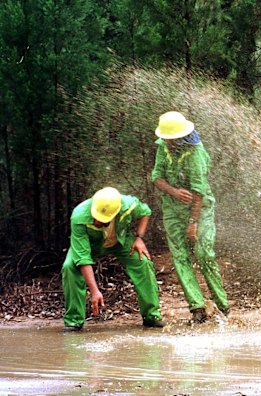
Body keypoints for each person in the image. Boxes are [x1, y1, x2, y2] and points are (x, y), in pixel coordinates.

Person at [151, 111, 229, 323]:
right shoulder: (163, 147)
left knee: (204, 254)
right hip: (172, 210)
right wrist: (173, 191)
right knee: (180, 257)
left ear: (180, 137)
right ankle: (197, 307)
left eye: (169, 139)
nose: (166, 141)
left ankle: (221, 305)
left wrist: (193, 223)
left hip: (199, 209)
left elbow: (198, 191)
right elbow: (156, 177)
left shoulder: (196, 153)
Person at [61, 187, 164, 331]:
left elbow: (145, 212)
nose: (97, 221)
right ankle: (74, 320)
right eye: (96, 217)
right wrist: (95, 291)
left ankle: (152, 316)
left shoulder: (128, 205)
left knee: (143, 262)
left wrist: (139, 238)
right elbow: (83, 258)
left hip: (120, 241)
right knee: (69, 267)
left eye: (103, 220)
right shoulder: (79, 215)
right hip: (91, 245)